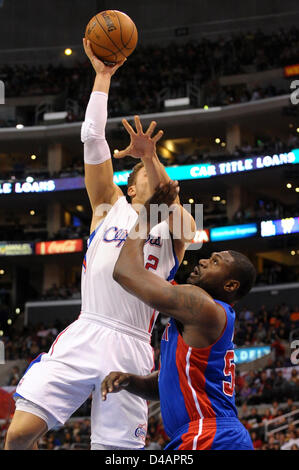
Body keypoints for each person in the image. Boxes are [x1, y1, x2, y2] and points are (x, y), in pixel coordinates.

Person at [5, 41, 195, 451]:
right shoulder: (107, 208)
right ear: (129, 184)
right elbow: (92, 138)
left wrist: (152, 157)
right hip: (87, 329)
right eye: (142, 170)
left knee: (116, 455)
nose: (154, 173)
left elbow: (179, 210)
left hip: (130, 346)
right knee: (19, 435)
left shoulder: (173, 224)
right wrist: (103, 78)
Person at [101, 181, 256, 450]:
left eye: (216, 261)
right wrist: (131, 381)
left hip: (209, 436)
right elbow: (169, 384)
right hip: (211, 434)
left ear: (230, 285)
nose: (204, 260)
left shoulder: (203, 305)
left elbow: (125, 272)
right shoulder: (201, 314)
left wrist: (147, 216)